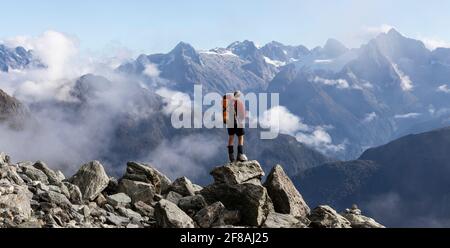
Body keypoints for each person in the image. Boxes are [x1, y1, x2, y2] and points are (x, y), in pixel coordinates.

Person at [225, 91, 248, 163]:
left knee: (231, 137)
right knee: (240, 137)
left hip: (230, 122)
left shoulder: (228, 103)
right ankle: (240, 154)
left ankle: (231, 157)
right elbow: (243, 115)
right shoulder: (239, 102)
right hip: (239, 122)